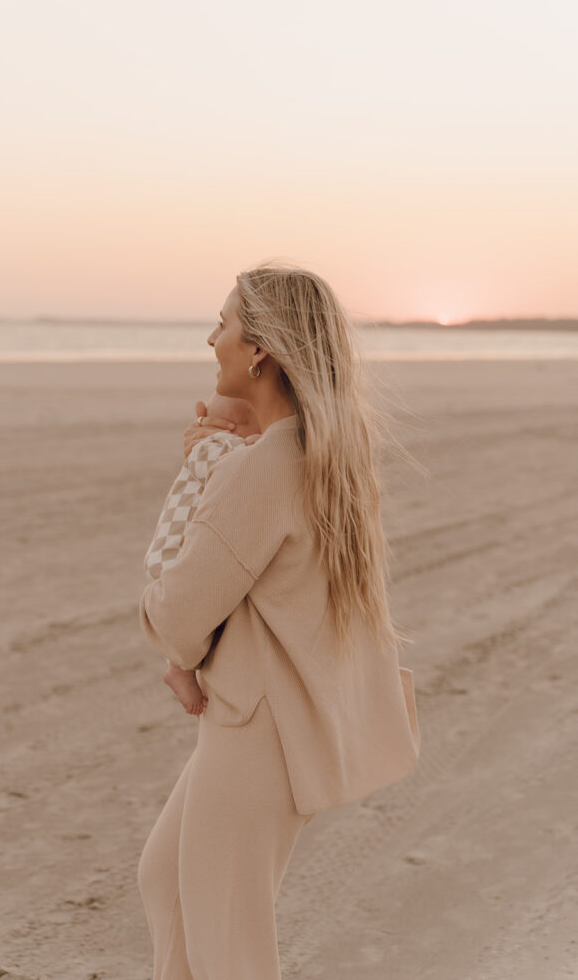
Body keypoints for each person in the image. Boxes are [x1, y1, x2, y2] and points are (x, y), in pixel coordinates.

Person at [137, 260, 421, 980]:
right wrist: (222, 461)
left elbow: (177, 612)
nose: (212, 339)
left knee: (226, 943)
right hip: (267, 720)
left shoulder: (263, 467)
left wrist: (204, 476)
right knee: (167, 882)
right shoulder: (324, 455)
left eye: (224, 324)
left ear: (258, 348)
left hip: (256, 728)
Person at [143, 390, 262, 716]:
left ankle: (180, 667)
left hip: (173, 549)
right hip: (178, 552)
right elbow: (239, 466)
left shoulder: (211, 449)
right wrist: (258, 444)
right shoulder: (222, 450)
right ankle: (179, 669)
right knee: (201, 616)